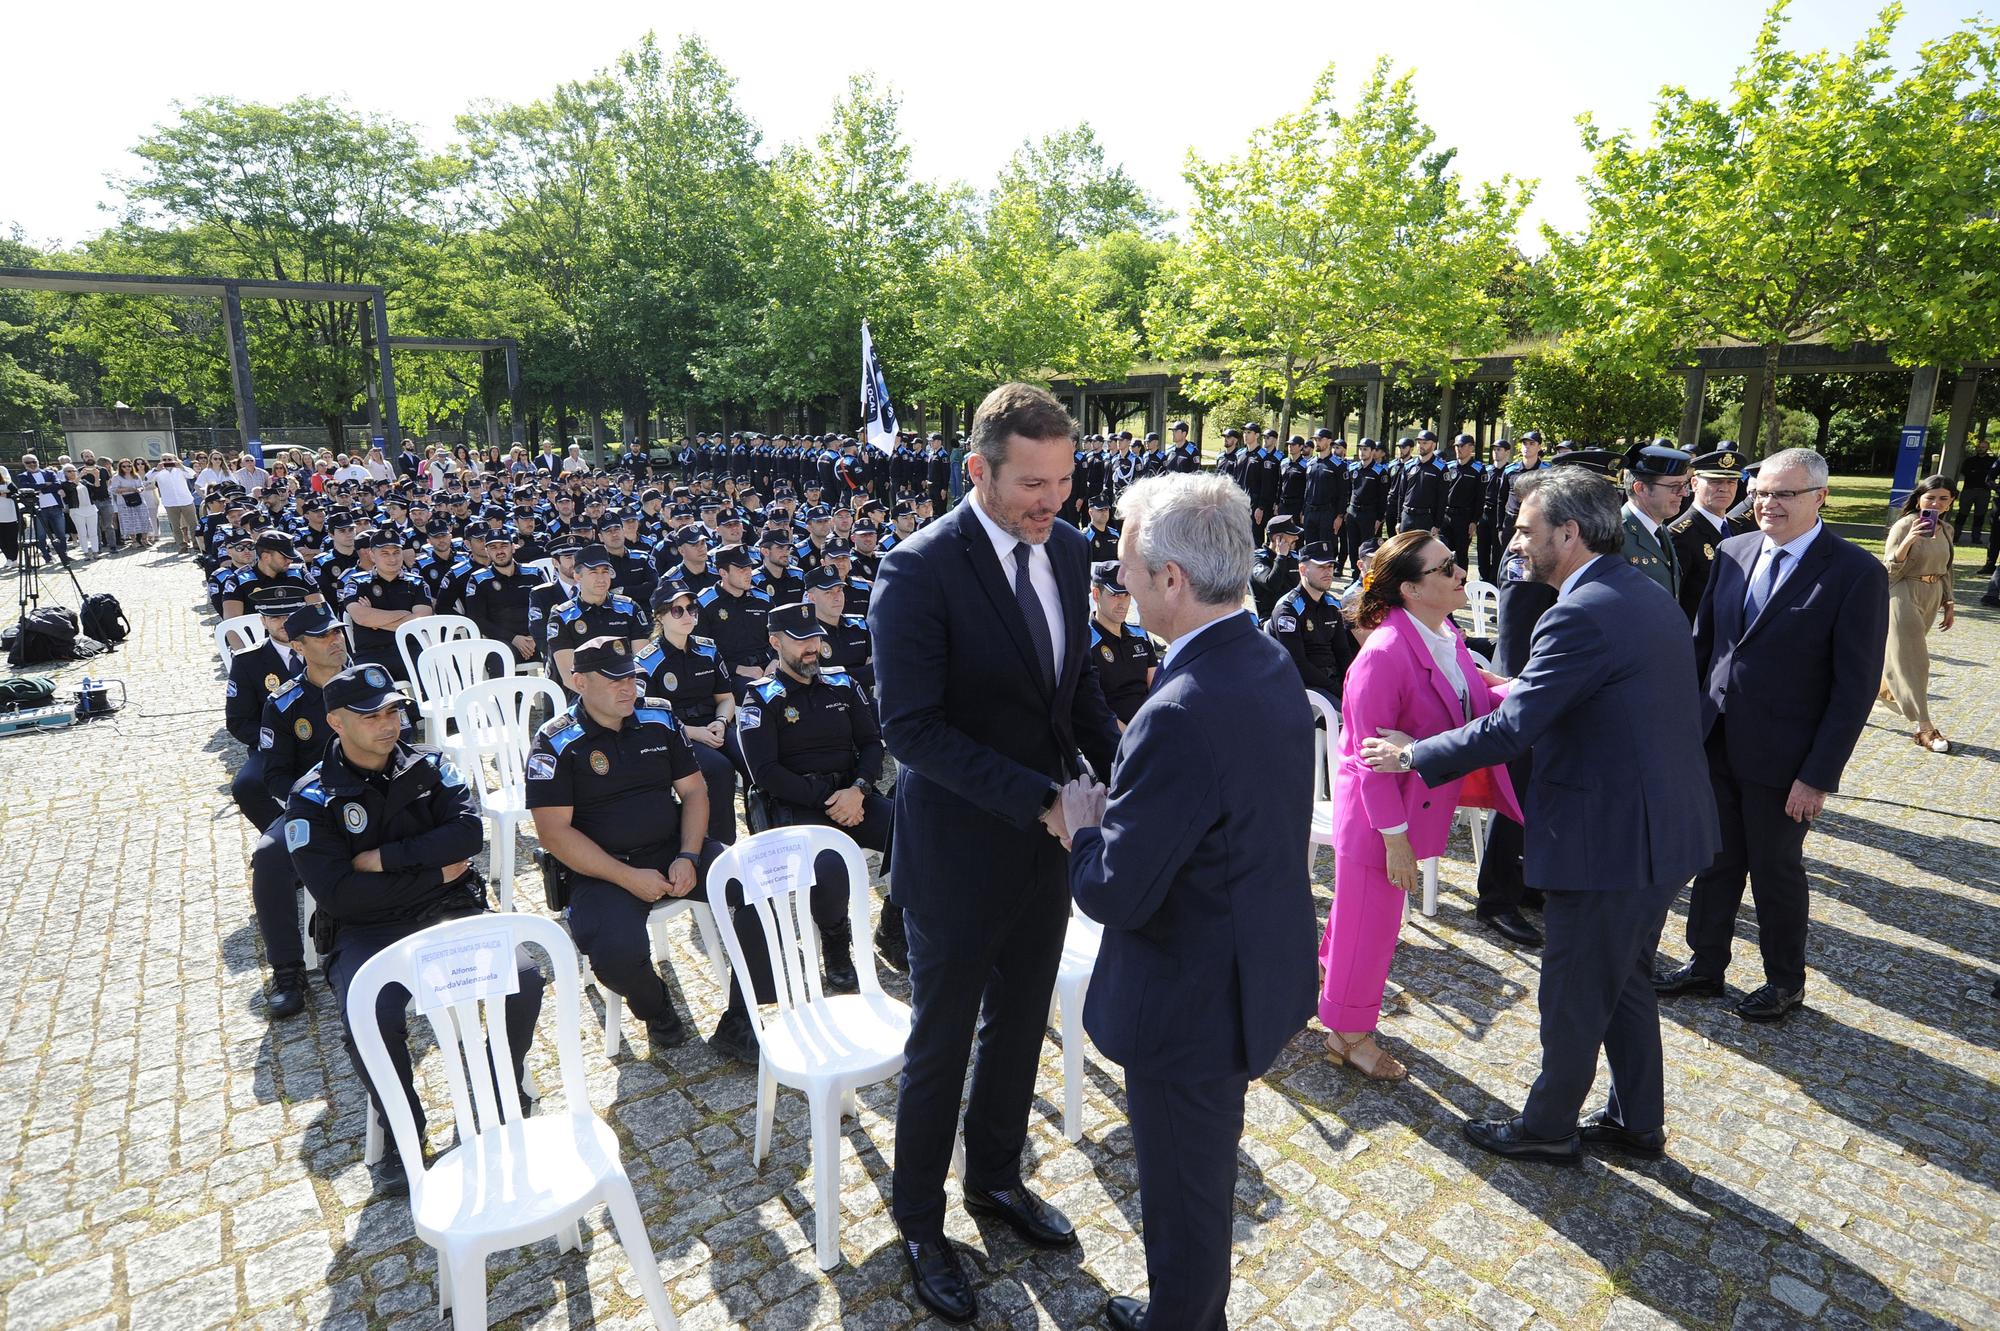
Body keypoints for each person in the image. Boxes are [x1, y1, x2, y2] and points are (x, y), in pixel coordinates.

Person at [1361, 466, 1719, 1163]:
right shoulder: (1637, 592)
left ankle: (1548, 1128)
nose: (1517, 542)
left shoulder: (1578, 611)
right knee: (1624, 983)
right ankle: (1638, 1121)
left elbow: (1511, 732)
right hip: (1665, 830)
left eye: (1527, 529)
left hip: (1612, 841)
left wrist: (1414, 755)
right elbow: (1609, 693)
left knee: (1574, 992)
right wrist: (1526, 684)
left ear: (1569, 531)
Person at [869, 382, 1122, 1324]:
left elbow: (1076, 695)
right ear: (977, 471)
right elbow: (912, 729)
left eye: (1062, 479)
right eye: (1030, 482)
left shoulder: (1069, 549)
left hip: (1049, 850)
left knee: (1021, 1024)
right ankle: (921, 1220)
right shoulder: (918, 569)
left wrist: (1124, 766)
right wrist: (1041, 799)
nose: (1050, 499)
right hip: (963, 849)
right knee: (941, 1041)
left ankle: (996, 1181)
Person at [1052, 473, 1318, 1331]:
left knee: (1183, 1196)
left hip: (1189, 1001)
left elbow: (1115, 892)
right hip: (1245, 965)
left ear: (1171, 579)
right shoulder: (1265, 656)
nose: (1119, 581)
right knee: (1198, 1178)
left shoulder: (1177, 709)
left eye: (1128, 565)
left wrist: (1084, 829)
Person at [286, 663, 545, 1192]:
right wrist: (431, 871)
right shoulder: (311, 798)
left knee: (524, 977)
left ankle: (500, 1082)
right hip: (365, 928)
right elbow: (339, 894)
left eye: (393, 711)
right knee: (372, 1016)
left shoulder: (429, 765)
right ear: (335, 721)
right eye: (371, 715)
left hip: (448, 908)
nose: (389, 724)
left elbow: (468, 836)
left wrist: (385, 859)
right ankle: (405, 1125)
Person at [1662, 447, 1890, 1023]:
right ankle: (1705, 966)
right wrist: (1686, 732)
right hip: (1716, 742)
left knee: (1774, 870)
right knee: (1714, 862)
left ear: (1820, 498)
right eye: (1760, 491)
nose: (1768, 503)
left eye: (1784, 493)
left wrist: (1817, 776)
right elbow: (1704, 647)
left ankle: (1784, 981)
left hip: (1786, 761)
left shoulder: (1855, 573)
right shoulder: (1734, 552)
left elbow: (1853, 689)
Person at [1320, 531, 1521, 1081]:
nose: (1462, 573)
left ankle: (1328, 979)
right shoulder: (1382, 656)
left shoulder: (1443, 632)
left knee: (1358, 917)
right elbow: (1367, 764)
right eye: (1447, 567)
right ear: (1410, 588)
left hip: (1411, 803)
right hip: (1380, 818)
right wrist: (1396, 839)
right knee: (1374, 927)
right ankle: (1347, 1033)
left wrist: (1530, 691)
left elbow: (1470, 698)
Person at [525, 637, 738, 1057]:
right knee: (616, 954)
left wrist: (689, 855)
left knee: (753, 884)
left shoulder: (658, 718)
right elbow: (554, 834)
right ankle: (656, 1008)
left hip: (672, 848)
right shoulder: (555, 742)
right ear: (578, 681)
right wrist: (628, 877)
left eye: (632, 678)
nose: (629, 689)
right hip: (602, 869)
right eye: (613, 680)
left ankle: (744, 1018)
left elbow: (695, 793)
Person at [732, 604, 895, 1004]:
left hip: (852, 793)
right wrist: (830, 801)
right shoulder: (760, 700)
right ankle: (836, 944)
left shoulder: (841, 684)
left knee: (913, 833)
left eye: (815, 637)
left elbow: (872, 743)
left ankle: (896, 927)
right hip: (799, 805)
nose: (812, 646)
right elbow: (765, 772)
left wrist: (857, 789)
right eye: (800, 638)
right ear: (775, 642)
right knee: (830, 867)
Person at [245, 603, 347, 1018]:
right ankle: (288, 970)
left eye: (337, 631)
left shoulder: (368, 683)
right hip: (316, 808)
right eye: (324, 636)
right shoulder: (284, 703)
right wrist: (314, 805)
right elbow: (275, 776)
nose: (336, 640)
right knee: (269, 857)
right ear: (299, 646)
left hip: (377, 801)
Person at [635, 580, 739, 844]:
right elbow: (649, 717)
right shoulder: (647, 661)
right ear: (660, 616)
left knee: (755, 755)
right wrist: (697, 733)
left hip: (714, 725)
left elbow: (726, 698)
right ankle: (721, 845)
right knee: (719, 769)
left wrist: (720, 721)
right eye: (677, 610)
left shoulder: (707, 648)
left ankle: (768, 830)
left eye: (691, 608)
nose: (687, 615)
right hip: (676, 733)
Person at [1878, 477, 1959, 752]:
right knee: (1915, 661)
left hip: (1932, 594)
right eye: (1930, 497)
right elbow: (1887, 570)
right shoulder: (1904, 525)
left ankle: (1854, 695)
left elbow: (1947, 567)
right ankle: (1925, 727)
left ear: (1950, 503)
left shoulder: (1946, 529)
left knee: (1896, 658)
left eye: (1943, 498)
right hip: (1902, 594)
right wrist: (1909, 540)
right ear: (1919, 498)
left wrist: (1949, 602)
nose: (1936, 503)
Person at [1666, 446, 1752, 621]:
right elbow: (1674, 599)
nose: (1724, 488)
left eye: (1731, 482)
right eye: (1715, 481)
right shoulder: (1680, 534)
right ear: (1695, 484)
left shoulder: (1737, 528)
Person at [1267, 542, 1355, 711]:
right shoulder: (1288, 610)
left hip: (1333, 682)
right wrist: (1338, 690)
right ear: (1302, 570)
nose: (1328, 571)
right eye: (1321, 567)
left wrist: (1351, 683)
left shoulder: (1332, 605)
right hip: (1306, 688)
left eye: (1330, 566)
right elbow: (1298, 664)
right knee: (1351, 716)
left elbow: (1343, 652)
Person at [1618, 441, 1692, 599]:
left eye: (1684, 484)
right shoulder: (1615, 536)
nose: (1684, 493)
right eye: (1674, 486)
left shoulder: (1659, 529)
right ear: (1641, 488)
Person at [1086, 561, 1157, 728]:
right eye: (1115, 595)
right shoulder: (1084, 643)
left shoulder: (1140, 635)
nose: (1123, 603)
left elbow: (1157, 688)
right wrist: (1133, 739)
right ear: (1096, 594)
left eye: (1127, 594)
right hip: (1113, 740)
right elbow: (1094, 708)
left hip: (1151, 727)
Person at [154, 454, 199, 550]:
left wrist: (181, 466)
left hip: (186, 500)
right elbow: (147, 480)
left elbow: (192, 475)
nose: (167, 461)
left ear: (174, 460)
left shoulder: (180, 469)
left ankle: (196, 543)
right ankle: (181, 545)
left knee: (193, 524)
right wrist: (156, 470)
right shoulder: (158, 472)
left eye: (169, 459)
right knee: (175, 526)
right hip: (170, 503)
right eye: (164, 460)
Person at [1955, 439, 1992, 548]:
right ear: (1977, 448)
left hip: (1984, 491)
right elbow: (1965, 472)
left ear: (1987, 448)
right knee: (1962, 513)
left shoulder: (1992, 461)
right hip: (1969, 489)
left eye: (1984, 447)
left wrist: (1976, 473)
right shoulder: (1969, 460)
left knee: (1980, 515)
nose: (1981, 449)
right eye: (1979, 447)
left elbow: (1991, 474)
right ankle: (1956, 535)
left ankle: (1976, 538)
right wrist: (1980, 473)